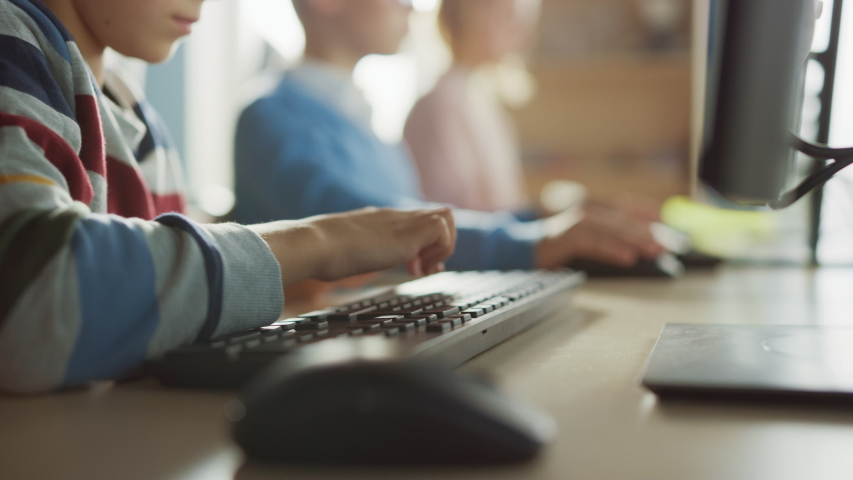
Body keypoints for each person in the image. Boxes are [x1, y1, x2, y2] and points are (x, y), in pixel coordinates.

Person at [0, 0, 456, 394]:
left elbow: (153, 312)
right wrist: (316, 241)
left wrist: (289, 280)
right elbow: (30, 301)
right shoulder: (11, 46)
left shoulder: (130, 111)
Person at [234, 0, 665, 274]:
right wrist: (537, 241)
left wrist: (550, 220)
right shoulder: (271, 117)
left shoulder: (364, 119)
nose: (414, 8)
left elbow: (425, 218)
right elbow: (372, 229)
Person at [405, 0, 535, 213]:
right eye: (506, 16)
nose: (520, 29)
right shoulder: (441, 106)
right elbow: (455, 217)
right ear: (468, 17)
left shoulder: (483, 99)